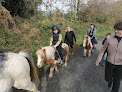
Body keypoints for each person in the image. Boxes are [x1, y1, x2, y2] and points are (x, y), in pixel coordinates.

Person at [96, 21, 122, 92]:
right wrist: (98, 60)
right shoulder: (109, 40)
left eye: (118, 30)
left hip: (120, 66)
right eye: (115, 29)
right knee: (108, 78)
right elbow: (102, 50)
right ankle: (110, 81)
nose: (115, 31)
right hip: (109, 64)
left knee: (117, 82)